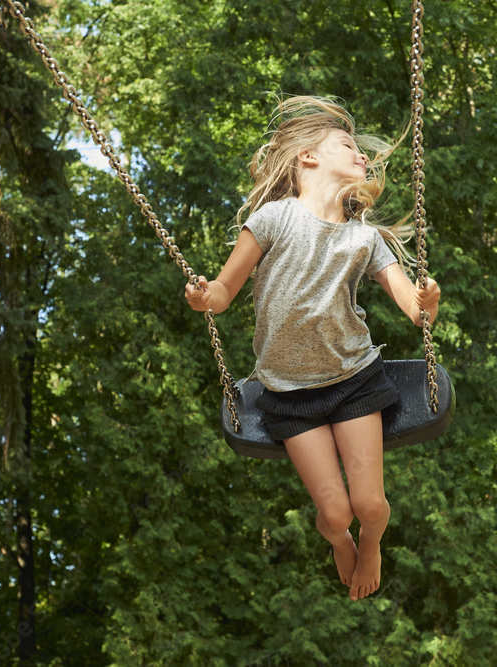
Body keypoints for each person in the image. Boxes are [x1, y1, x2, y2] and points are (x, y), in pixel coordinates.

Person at [185, 96, 441, 601]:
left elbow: (415, 311)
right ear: (308, 158)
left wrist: (427, 299)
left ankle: (372, 543)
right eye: (348, 145)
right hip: (288, 390)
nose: (361, 155)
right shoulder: (274, 219)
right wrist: (201, 296)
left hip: (353, 378)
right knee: (333, 514)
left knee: (369, 506)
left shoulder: (365, 239)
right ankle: (341, 541)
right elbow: (222, 292)